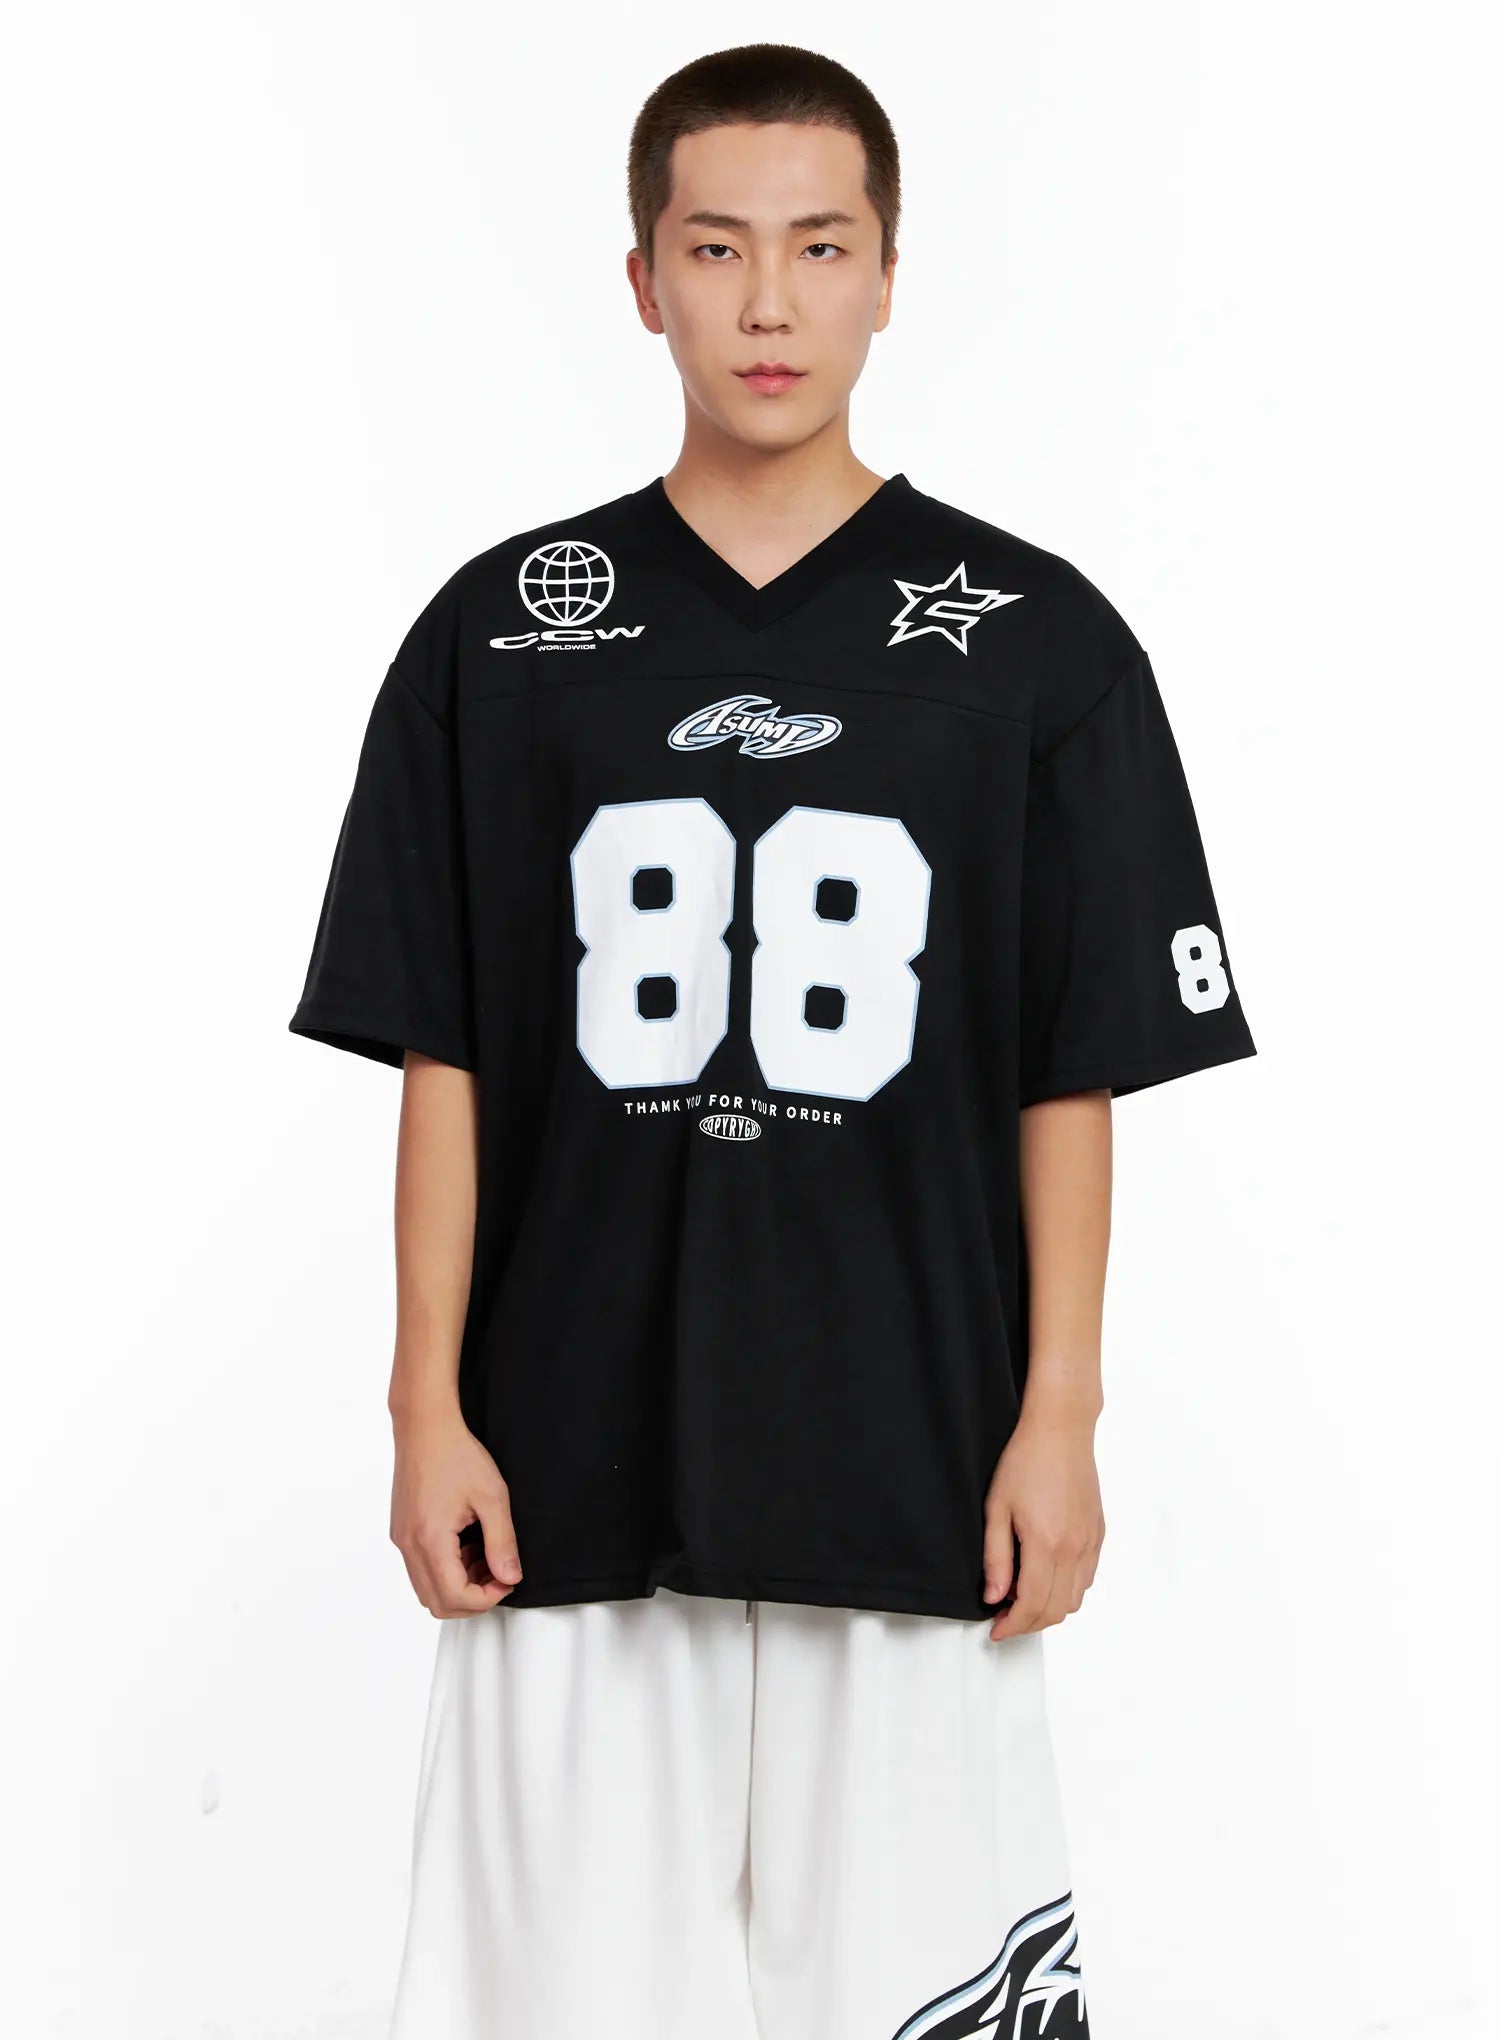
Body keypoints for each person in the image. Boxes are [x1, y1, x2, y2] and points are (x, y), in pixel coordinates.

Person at [287, 41, 1255, 2040]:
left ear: (890, 271)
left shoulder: (1034, 641)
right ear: (643, 277)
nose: (768, 302)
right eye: (717, 247)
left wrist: (1060, 1417)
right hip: (567, 1457)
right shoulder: (500, 635)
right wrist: (421, 1405)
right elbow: (444, 1051)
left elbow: (1065, 1071)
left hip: (914, 1457)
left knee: (929, 2007)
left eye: (819, 247)